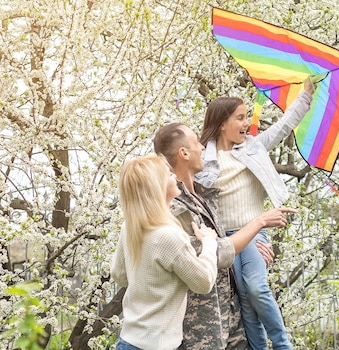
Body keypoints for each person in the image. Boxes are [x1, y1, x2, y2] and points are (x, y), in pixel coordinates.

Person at [195, 77, 316, 350]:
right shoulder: (202, 160)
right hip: (223, 238)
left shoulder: (254, 147)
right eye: (239, 118)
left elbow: (283, 126)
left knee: (257, 288)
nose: (246, 123)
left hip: (252, 233)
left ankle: (283, 345)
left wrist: (305, 95)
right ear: (222, 122)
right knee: (245, 302)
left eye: (247, 116)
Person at [153, 122, 296, 350]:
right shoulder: (175, 209)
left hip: (233, 326)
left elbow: (227, 248)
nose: (203, 147)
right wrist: (259, 222)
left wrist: (252, 250)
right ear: (184, 153)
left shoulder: (207, 196)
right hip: (199, 334)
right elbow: (212, 256)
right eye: (196, 142)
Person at [110, 154, 219, 350]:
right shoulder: (169, 236)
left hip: (128, 340)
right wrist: (209, 243)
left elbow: (119, 275)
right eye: (169, 174)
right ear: (156, 186)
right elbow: (203, 282)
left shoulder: (131, 227)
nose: (175, 177)